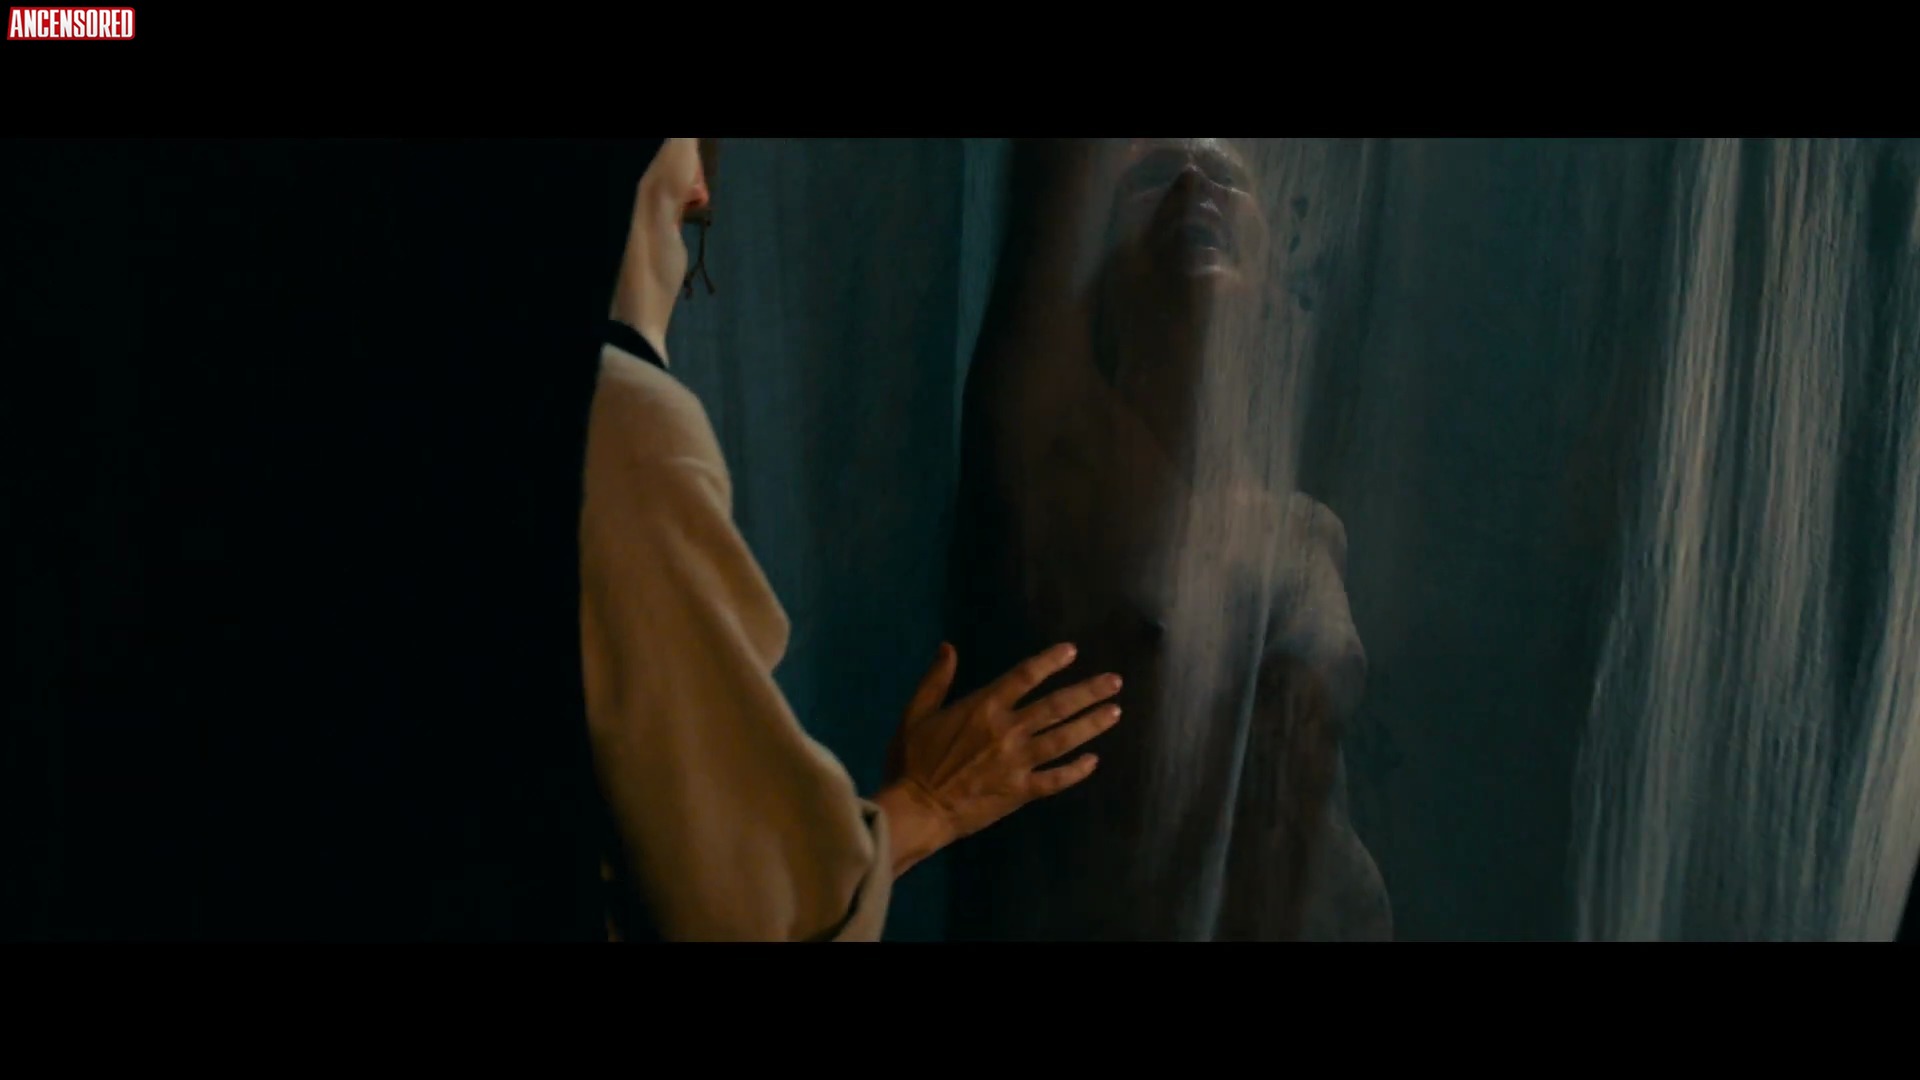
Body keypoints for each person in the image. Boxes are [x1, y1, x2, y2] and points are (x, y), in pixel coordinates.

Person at [582, 138, 1125, 942]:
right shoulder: (623, 429)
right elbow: (751, 922)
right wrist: (931, 804)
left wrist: (858, 841)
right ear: (694, 185)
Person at [944, 138, 1391, 941]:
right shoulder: (1063, 462)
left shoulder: (1308, 530)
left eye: (1226, 179)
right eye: (1154, 178)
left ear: (1275, 278)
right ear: (1101, 274)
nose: (1193, 185)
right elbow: (1054, 190)